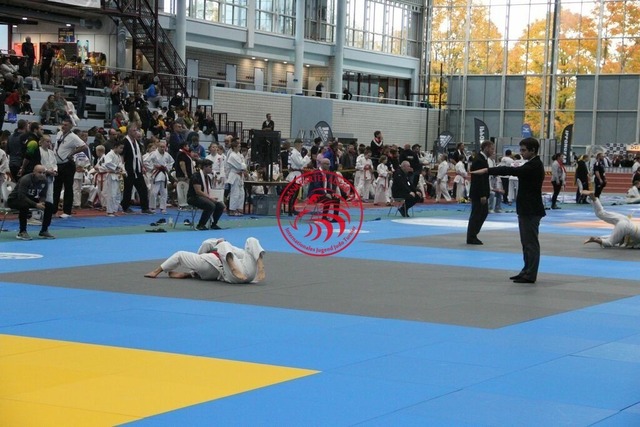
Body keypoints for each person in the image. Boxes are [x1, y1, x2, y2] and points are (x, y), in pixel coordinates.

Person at [472, 137, 546, 284]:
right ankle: (526, 270)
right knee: (526, 243)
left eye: (524, 150)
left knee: (530, 243)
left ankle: (530, 273)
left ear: (533, 150)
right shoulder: (531, 164)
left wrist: (487, 170)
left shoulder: (534, 165)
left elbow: (511, 170)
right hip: (526, 208)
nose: (521, 153)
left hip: (531, 210)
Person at [144, 237, 266, 284]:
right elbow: (205, 246)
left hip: (247, 274)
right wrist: (218, 241)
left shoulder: (232, 248)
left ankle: (261, 266)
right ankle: (158, 272)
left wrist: (224, 243)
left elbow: (245, 253)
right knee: (223, 245)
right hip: (229, 273)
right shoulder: (210, 250)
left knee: (251, 240)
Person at [53, 119, 88, 218]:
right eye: (63, 124)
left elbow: (84, 146)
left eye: (66, 125)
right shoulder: (59, 133)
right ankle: (53, 210)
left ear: (71, 126)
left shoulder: (73, 137)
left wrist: (72, 153)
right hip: (57, 164)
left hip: (67, 164)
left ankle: (67, 212)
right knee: (56, 188)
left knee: (68, 188)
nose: (63, 126)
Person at [7, 165, 48, 240]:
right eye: (40, 172)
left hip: (29, 199)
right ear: (34, 172)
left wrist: (42, 202)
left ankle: (44, 231)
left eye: (44, 173)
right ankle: (22, 231)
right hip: (14, 200)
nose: (42, 174)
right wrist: (35, 204)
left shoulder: (44, 180)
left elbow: (43, 195)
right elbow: (21, 196)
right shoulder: (26, 179)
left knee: (49, 206)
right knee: (24, 205)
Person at [466, 140, 494, 245]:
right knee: (477, 215)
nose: (493, 151)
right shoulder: (479, 160)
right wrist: (482, 194)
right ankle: (471, 236)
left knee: (482, 213)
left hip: (481, 192)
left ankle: (473, 235)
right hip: (479, 193)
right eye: (492, 149)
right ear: (486, 148)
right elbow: (479, 179)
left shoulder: (483, 159)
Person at [121, 123, 152, 214]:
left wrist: (142, 166)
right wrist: (122, 168)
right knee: (128, 189)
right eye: (134, 130)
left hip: (138, 169)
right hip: (128, 169)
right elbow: (122, 156)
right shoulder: (125, 142)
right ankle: (125, 207)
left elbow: (139, 155)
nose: (136, 132)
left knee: (143, 188)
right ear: (129, 131)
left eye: (136, 130)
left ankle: (145, 208)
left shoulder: (136, 142)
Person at [187, 159, 225, 230]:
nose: (211, 169)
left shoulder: (208, 178)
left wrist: (214, 197)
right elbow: (198, 191)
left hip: (203, 197)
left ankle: (213, 224)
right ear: (205, 167)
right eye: (210, 167)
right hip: (193, 197)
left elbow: (209, 190)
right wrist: (210, 198)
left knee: (220, 205)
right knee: (210, 205)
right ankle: (200, 225)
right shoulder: (196, 176)